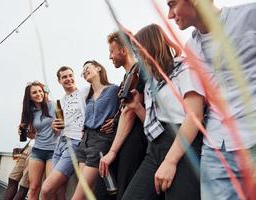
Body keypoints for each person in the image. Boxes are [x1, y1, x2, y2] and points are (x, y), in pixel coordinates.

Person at [167, 0, 256, 199]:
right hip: (217, 151)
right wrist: (170, 160)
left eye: (172, 5)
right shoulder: (192, 47)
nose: (170, 15)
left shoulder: (250, 15)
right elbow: (195, 110)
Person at [120, 23, 204, 200]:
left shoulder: (184, 69)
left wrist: (170, 161)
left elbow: (194, 116)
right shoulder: (152, 81)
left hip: (183, 147)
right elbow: (156, 125)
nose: (136, 56)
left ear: (150, 48)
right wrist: (137, 107)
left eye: (138, 50)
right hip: (155, 150)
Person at [99, 31, 148, 199]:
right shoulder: (126, 76)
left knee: (125, 190)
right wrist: (114, 120)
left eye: (112, 52)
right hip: (124, 138)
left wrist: (112, 152)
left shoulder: (139, 71)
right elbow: (124, 111)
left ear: (124, 50)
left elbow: (130, 113)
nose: (110, 57)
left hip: (134, 140)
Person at [72, 60, 119, 200]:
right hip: (84, 142)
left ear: (98, 68)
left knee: (78, 196)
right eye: (83, 71)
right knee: (86, 192)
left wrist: (115, 119)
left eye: (87, 67)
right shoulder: (88, 97)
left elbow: (125, 108)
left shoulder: (112, 89)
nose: (84, 71)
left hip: (100, 141)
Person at [41, 66, 88, 200]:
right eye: (64, 77)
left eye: (70, 75)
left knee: (46, 188)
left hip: (74, 143)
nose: (68, 79)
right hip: (59, 144)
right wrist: (55, 127)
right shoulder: (60, 101)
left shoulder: (84, 92)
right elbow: (58, 127)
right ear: (59, 81)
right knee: (59, 188)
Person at [20, 81, 58, 200]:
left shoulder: (53, 105)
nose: (38, 94)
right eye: (34, 92)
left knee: (49, 189)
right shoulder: (30, 112)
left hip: (53, 151)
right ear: (29, 96)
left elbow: (62, 128)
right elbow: (33, 135)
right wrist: (24, 132)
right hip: (37, 151)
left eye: (40, 91)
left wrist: (55, 128)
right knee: (34, 188)